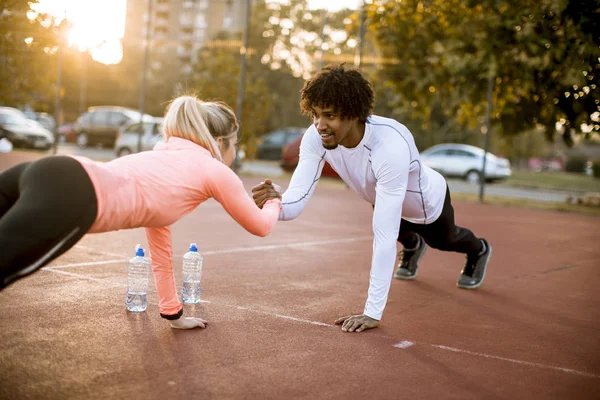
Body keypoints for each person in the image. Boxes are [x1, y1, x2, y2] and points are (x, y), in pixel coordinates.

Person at [0, 95, 282, 329]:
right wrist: (275, 200)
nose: (235, 152)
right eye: (236, 144)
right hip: (70, 196)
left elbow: (160, 251)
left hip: (46, 169)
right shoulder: (215, 171)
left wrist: (174, 314)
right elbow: (261, 226)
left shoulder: (162, 158)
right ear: (220, 143)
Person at [252, 64, 492, 333]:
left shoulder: (389, 145)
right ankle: (413, 247)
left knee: (444, 240)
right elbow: (298, 198)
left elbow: (383, 236)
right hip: (384, 196)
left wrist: (372, 312)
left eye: (329, 115)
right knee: (396, 227)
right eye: (315, 115)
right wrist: (275, 202)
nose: (320, 125)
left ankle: (479, 249)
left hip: (425, 204)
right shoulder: (316, 137)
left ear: (354, 114)